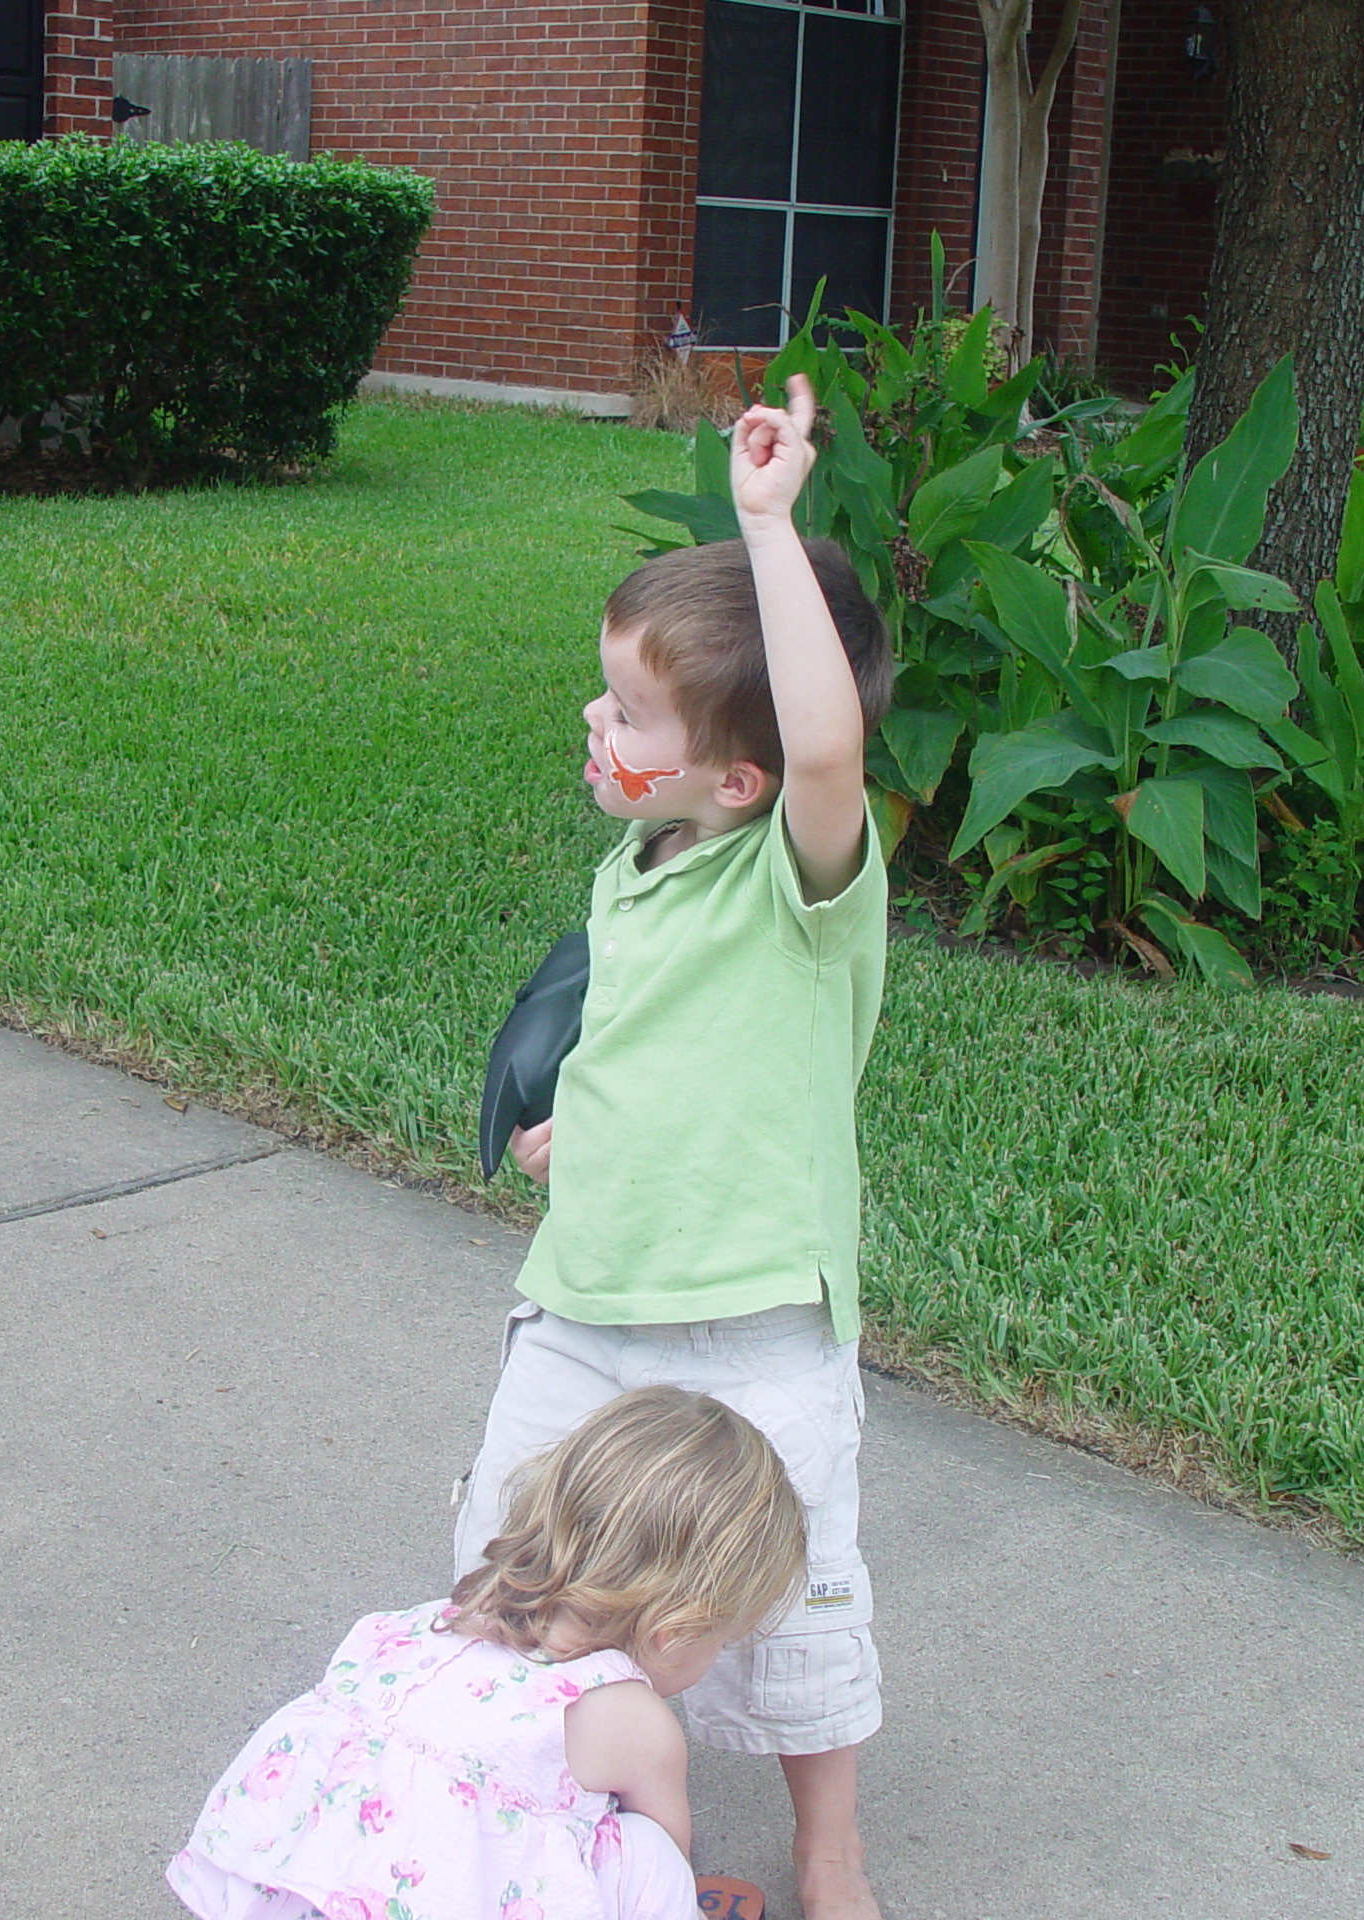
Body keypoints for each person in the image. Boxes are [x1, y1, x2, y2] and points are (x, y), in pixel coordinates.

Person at [457, 375, 895, 1920]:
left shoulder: (804, 881)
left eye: (633, 712)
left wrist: (768, 525)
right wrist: (591, 1120)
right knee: (512, 1559)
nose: (597, 718)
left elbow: (830, 752)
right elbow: (649, 1032)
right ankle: (619, 1843)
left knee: (792, 1601)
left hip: (759, 1314)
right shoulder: (639, 867)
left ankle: (830, 1859)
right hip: (591, 1297)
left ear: (743, 780)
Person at [169, 1387, 808, 1920]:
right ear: (676, 1631)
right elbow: (670, 1854)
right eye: (722, 1639)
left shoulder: (429, 1625)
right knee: (647, 1856)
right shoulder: (630, 1717)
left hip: (297, 1888)